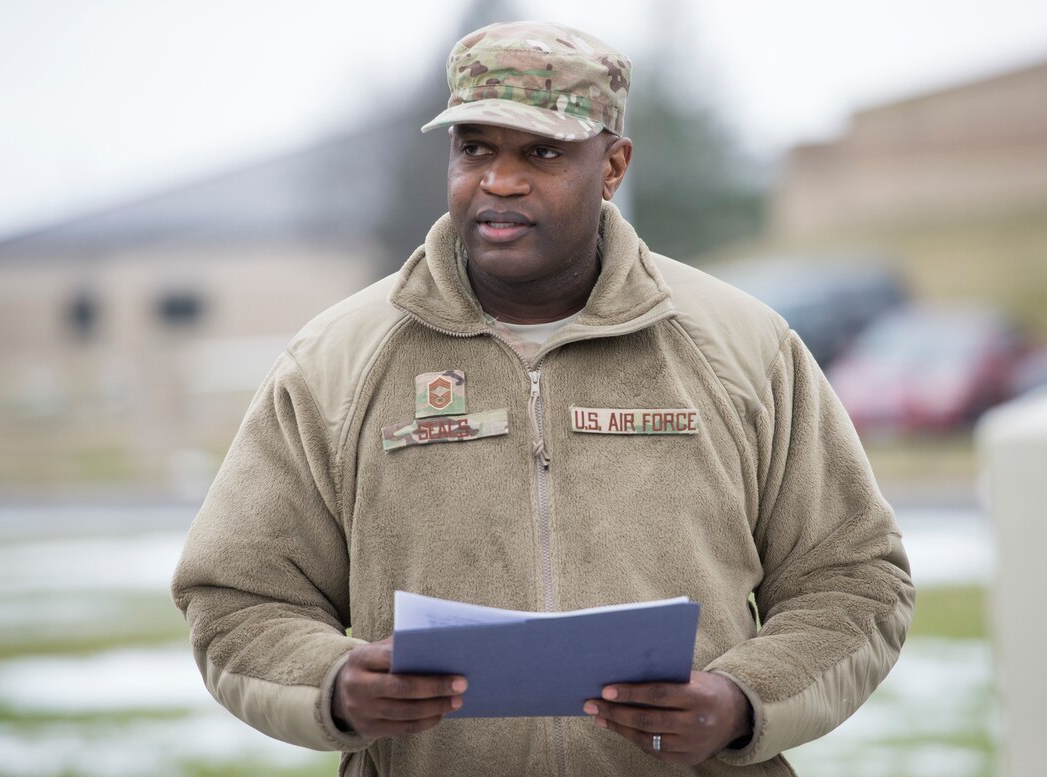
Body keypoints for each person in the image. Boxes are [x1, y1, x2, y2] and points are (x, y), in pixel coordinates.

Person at [172, 20, 914, 776]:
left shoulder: (742, 347)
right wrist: (331, 684)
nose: (499, 180)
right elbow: (236, 594)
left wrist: (742, 701)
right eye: (474, 148)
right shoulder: (336, 361)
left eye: (543, 152)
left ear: (614, 165)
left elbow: (854, 577)